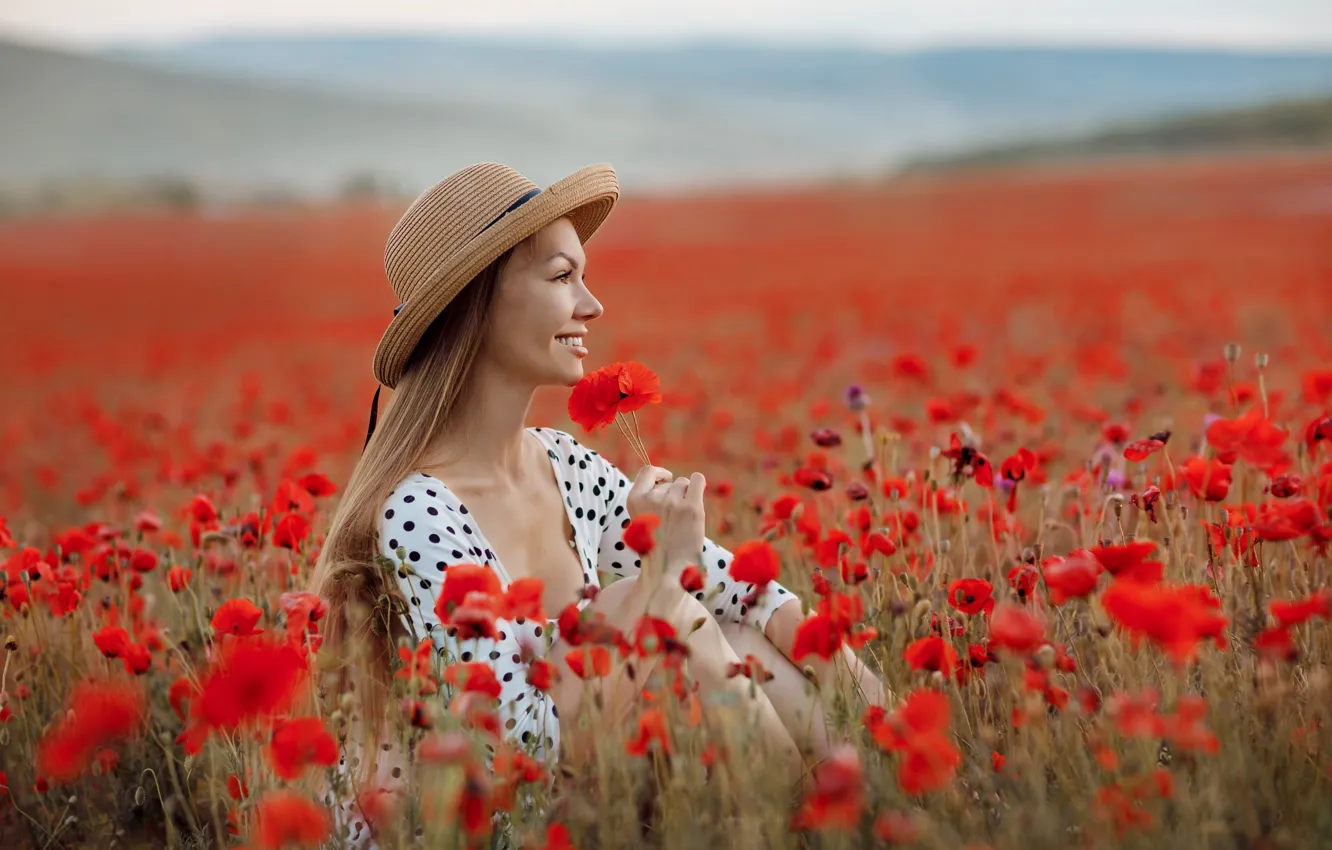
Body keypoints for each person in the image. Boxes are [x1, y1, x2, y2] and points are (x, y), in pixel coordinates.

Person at [309, 162, 887, 845]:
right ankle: (827, 828)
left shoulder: (563, 464)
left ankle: (864, 809)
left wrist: (886, 713)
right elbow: (513, 754)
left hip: (579, 796)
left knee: (732, 636)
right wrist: (660, 584)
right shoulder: (417, 514)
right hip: (481, 822)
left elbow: (743, 593)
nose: (592, 304)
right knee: (651, 613)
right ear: (478, 301)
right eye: (562, 277)